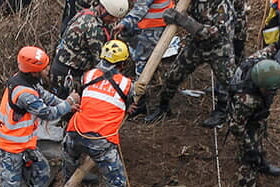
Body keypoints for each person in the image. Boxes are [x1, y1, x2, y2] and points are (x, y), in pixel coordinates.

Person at [0, 46, 79, 187]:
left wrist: (67, 104)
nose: (49, 69)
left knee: (42, 171)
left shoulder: (28, 80)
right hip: (10, 147)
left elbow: (46, 96)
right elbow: (47, 113)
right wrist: (68, 104)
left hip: (24, 143)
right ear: (33, 70)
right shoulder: (23, 93)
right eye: (45, 67)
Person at [61, 40, 135, 187]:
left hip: (74, 133)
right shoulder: (127, 85)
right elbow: (131, 105)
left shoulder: (88, 75)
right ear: (122, 64)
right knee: (116, 183)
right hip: (101, 141)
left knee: (69, 160)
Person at [143, 0, 235, 128]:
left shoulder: (222, 4)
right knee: (173, 75)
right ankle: (163, 107)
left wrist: (184, 21)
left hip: (219, 48)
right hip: (197, 45)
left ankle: (222, 111)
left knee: (228, 83)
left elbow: (216, 33)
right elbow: (181, 11)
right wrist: (172, 15)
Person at [228, 49, 280, 187]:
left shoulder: (257, 62)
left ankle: (262, 162)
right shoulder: (247, 100)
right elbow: (236, 126)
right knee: (248, 163)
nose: (272, 93)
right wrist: (249, 148)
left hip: (256, 118)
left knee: (260, 133)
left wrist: (278, 45)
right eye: (269, 90)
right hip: (244, 122)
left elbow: (267, 50)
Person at [53, 0, 131, 97]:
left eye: (116, 18)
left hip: (68, 67)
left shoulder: (89, 13)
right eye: (111, 17)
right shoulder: (93, 28)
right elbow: (101, 63)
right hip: (68, 73)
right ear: (102, 8)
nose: (114, 21)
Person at [114, 0, 174, 76]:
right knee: (126, 34)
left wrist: (125, 23)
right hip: (151, 21)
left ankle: (141, 81)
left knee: (142, 58)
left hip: (153, 26)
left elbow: (141, 8)